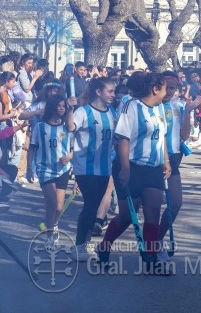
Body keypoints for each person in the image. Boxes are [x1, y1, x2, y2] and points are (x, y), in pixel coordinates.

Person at [97, 72, 171, 273]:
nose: (167, 93)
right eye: (165, 89)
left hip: (153, 168)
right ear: (155, 89)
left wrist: (166, 160)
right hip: (131, 166)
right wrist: (125, 169)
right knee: (127, 216)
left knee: (153, 211)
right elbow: (123, 139)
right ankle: (104, 245)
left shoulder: (160, 108)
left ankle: (151, 257)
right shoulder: (131, 106)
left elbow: (161, 135)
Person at [71, 77, 117, 260]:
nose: (113, 95)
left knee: (96, 205)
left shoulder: (112, 112)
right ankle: (79, 246)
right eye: (110, 91)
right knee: (90, 205)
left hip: (104, 167)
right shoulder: (83, 111)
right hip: (85, 167)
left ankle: (85, 244)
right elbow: (69, 129)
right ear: (99, 92)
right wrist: (69, 109)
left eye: (114, 91)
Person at [27, 94, 77, 249]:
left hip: (63, 170)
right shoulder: (40, 127)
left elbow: (73, 148)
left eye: (63, 106)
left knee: (59, 207)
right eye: (59, 106)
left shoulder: (66, 127)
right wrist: (29, 168)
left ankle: (54, 225)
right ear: (52, 107)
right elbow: (32, 148)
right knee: (52, 203)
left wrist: (70, 156)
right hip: (45, 169)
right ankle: (50, 235)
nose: (61, 108)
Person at [157, 71, 196, 263]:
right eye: (166, 87)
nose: (169, 91)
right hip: (151, 159)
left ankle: (157, 239)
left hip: (172, 159)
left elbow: (184, 136)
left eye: (173, 88)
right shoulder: (150, 106)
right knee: (144, 206)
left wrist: (188, 112)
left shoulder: (180, 106)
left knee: (175, 202)